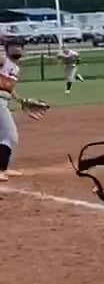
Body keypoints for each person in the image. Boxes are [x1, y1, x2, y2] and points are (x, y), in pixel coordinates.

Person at [0, 38, 52, 180]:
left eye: (19, 46)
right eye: (13, 46)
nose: (17, 49)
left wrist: (22, 101)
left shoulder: (15, 68)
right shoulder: (4, 61)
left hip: (4, 100)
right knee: (10, 136)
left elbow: (10, 89)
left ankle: (4, 167)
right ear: (6, 49)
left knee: (3, 136)